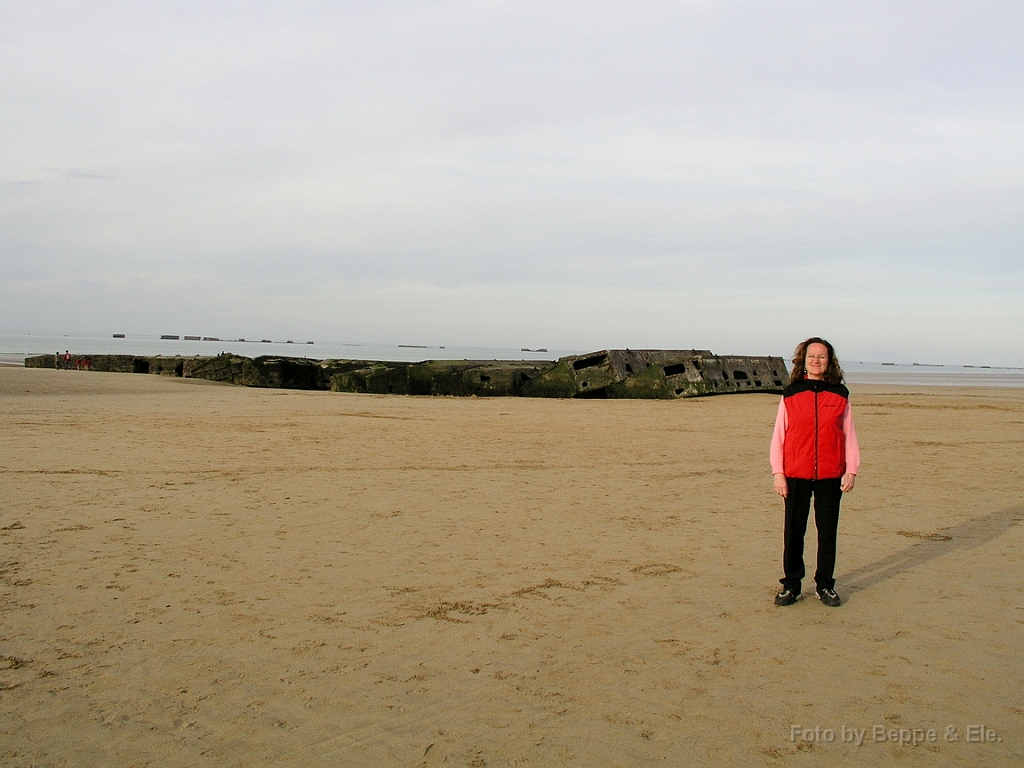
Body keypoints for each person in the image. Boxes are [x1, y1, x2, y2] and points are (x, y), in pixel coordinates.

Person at [770, 337, 859, 607]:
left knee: (827, 531)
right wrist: (778, 472)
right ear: (803, 360)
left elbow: (849, 436)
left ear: (829, 361)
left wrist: (851, 470)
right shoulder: (791, 393)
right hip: (795, 472)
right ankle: (792, 585)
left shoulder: (840, 395)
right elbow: (779, 436)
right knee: (794, 531)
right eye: (811, 356)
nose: (816, 360)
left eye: (822, 356)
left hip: (832, 474)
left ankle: (825, 585)